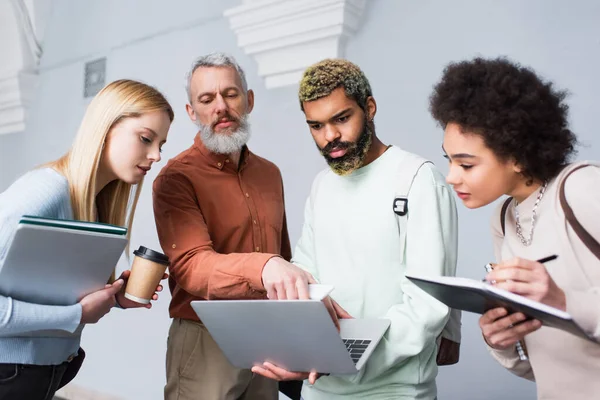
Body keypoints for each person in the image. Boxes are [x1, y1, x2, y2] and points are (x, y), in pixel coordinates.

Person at [252, 59, 459, 400]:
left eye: (342, 118)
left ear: (370, 108)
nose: (330, 136)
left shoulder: (418, 178)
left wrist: (343, 358)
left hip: (395, 389)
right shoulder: (322, 186)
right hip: (320, 385)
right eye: (316, 126)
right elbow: (307, 277)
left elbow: (427, 304)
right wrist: (294, 345)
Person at [153, 52, 341, 400]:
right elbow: (192, 266)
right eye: (207, 100)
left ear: (248, 100)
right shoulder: (175, 179)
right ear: (192, 113)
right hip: (204, 338)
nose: (220, 107)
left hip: (266, 335)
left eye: (230, 94)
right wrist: (264, 266)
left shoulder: (270, 174)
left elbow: (282, 256)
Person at [429, 56, 600, 399]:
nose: (451, 177)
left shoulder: (582, 187)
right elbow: (545, 363)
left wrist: (563, 301)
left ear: (518, 155)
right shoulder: (504, 220)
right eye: (450, 160)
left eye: (466, 163)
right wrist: (503, 342)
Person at [0, 79, 174, 399]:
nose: (156, 155)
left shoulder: (91, 204)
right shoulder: (44, 193)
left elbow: (38, 288)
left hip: (39, 374)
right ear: (106, 127)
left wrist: (112, 296)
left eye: (161, 144)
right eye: (146, 139)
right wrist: (77, 315)